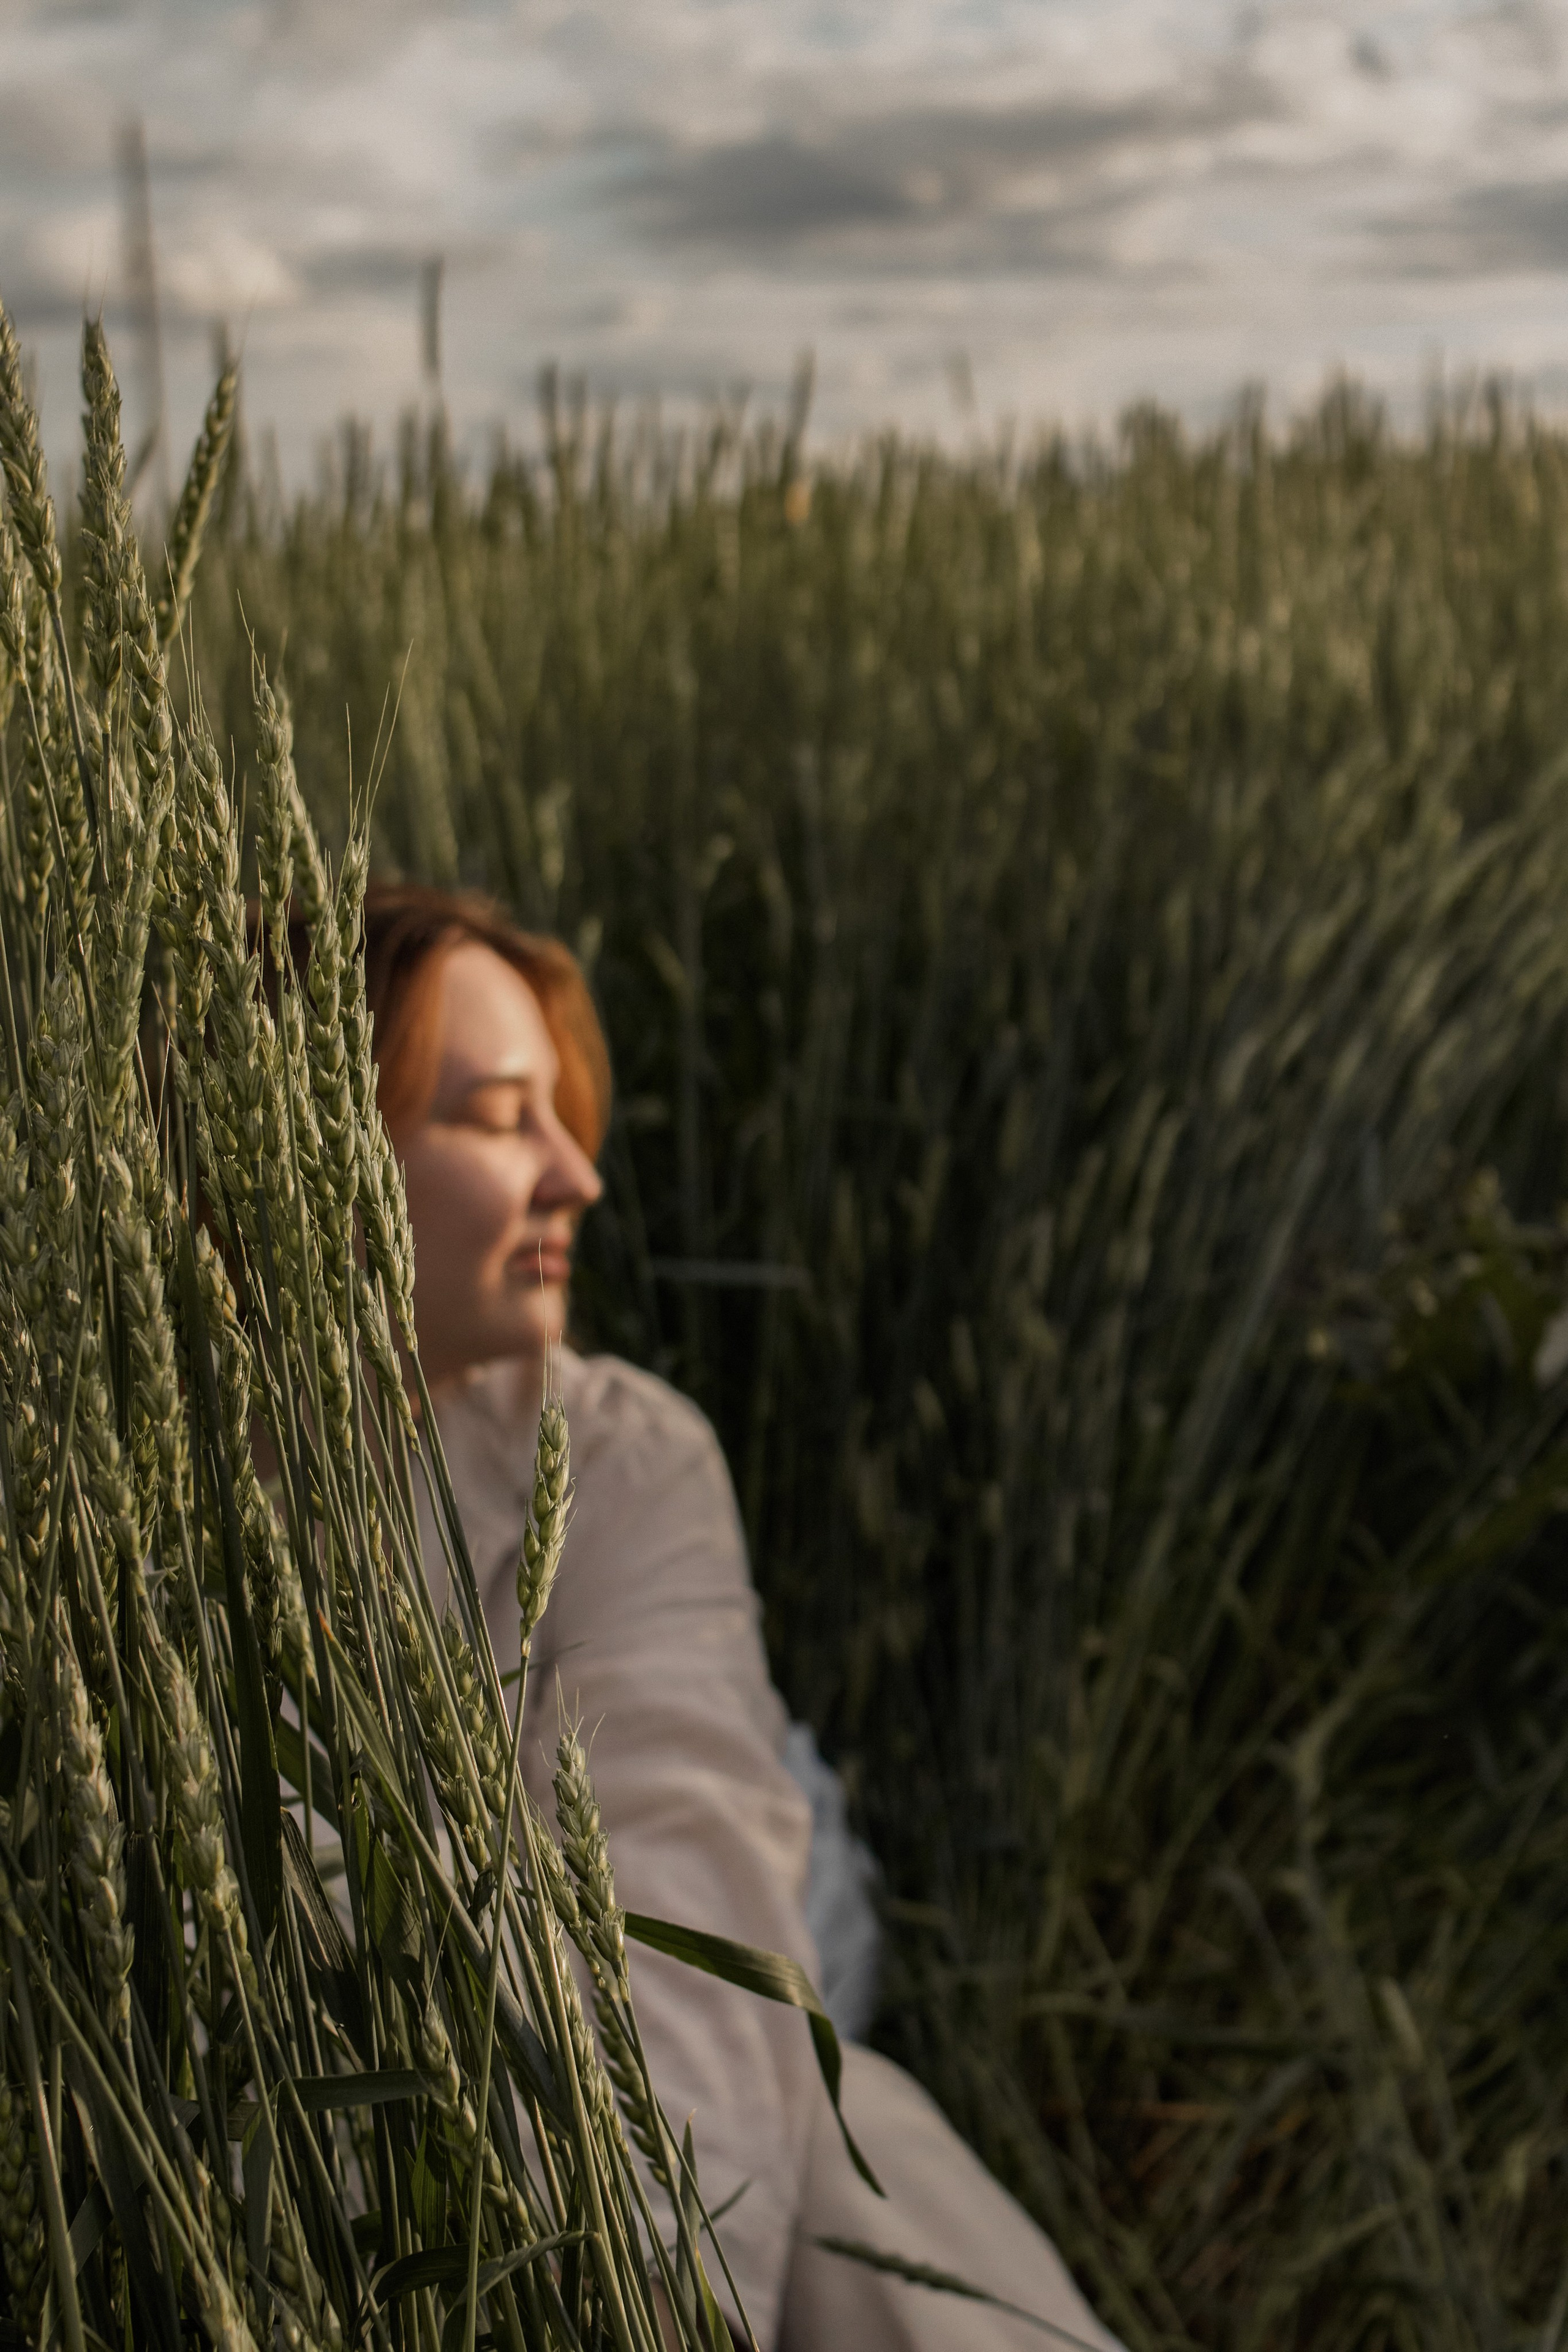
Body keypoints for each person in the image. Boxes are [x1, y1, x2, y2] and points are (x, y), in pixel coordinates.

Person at [365, 883, 1123, 2352]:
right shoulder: (110, 1498)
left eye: (563, 1115)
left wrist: (632, 2315)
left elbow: (682, 1955)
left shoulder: (619, 1451)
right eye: (498, 1115)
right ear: (311, 1139)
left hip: (693, 2044)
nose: (576, 1176)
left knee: (857, 2175)